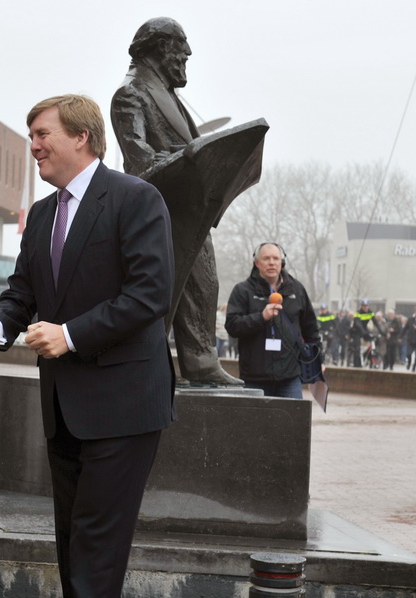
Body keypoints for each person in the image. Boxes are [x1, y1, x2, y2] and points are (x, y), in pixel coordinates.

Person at [0, 95, 175, 598]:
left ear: (82, 137)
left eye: (42, 134)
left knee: (95, 550)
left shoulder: (137, 199)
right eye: (31, 135)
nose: (33, 145)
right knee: (74, 549)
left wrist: (72, 335)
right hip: (63, 409)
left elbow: (149, 295)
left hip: (123, 408)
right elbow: (21, 293)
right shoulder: (40, 215)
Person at [110, 17, 239, 385]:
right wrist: (191, 159)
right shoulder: (130, 93)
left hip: (188, 211)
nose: (187, 53)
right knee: (165, 292)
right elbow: (139, 158)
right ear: (158, 46)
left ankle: (198, 362)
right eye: (180, 46)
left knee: (203, 285)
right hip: (161, 213)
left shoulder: (169, 95)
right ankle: (159, 365)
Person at [225, 242, 319, 398]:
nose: (271, 263)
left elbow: (311, 328)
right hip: (254, 377)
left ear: (282, 262)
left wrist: (318, 359)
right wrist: (261, 317)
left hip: (290, 377)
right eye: (266, 258)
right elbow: (232, 326)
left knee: (293, 421)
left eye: (276, 258)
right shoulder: (243, 290)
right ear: (257, 263)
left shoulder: (296, 289)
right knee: (255, 422)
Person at [350, 299, 374, 368]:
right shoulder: (358, 313)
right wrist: (363, 332)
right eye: (363, 306)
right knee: (357, 349)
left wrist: (382, 332)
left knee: (370, 343)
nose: (365, 307)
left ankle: (367, 359)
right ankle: (356, 365)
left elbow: (376, 322)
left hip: (364, 330)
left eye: (366, 306)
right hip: (356, 331)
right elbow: (358, 324)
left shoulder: (370, 313)